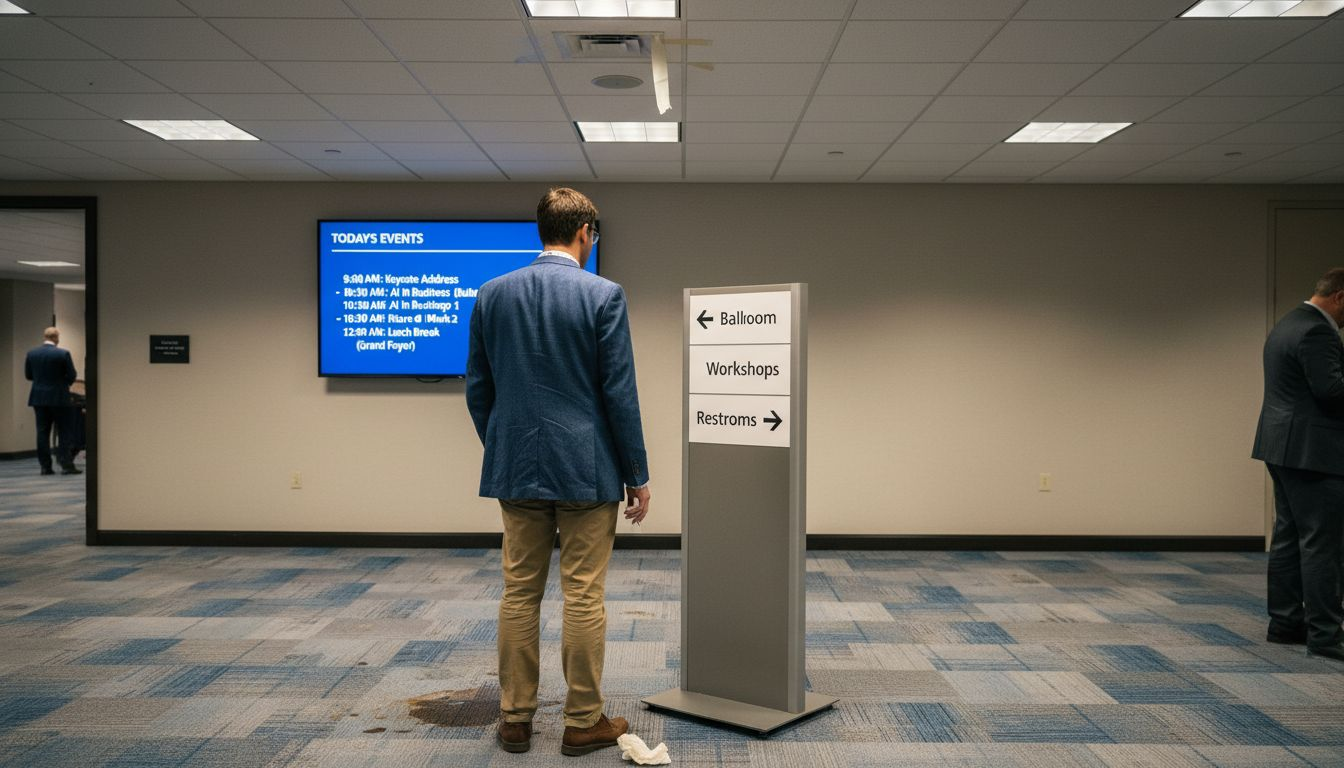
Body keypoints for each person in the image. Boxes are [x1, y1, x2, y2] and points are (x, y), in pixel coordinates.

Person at [466, 188, 651, 756]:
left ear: (541, 231)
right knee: (583, 595)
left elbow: (479, 389)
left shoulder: (492, 294)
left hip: (517, 464)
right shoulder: (603, 295)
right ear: (585, 233)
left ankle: (515, 719)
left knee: (519, 593)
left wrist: (504, 446)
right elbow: (619, 393)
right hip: (586, 470)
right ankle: (582, 721)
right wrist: (636, 474)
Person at [1252, 268, 1344, 663]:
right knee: (1323, 543)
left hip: (1282, 446)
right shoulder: (1318, 331)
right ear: (1340, 297)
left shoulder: (1288, 323)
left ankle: (1285, 623)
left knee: (1289, 536)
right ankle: (1325, 634)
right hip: (1313, 452)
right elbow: (1331, 391)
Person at [25, 327, 80, 476]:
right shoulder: (63, 354)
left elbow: (28, 375)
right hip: (59, 397)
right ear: (56, 338)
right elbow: (72, 375)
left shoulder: (32, 353)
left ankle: (45, 467)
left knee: (42, 432)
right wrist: (62, 383)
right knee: (64, 431)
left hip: (38, 398)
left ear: (45, 337)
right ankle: (66, 465)